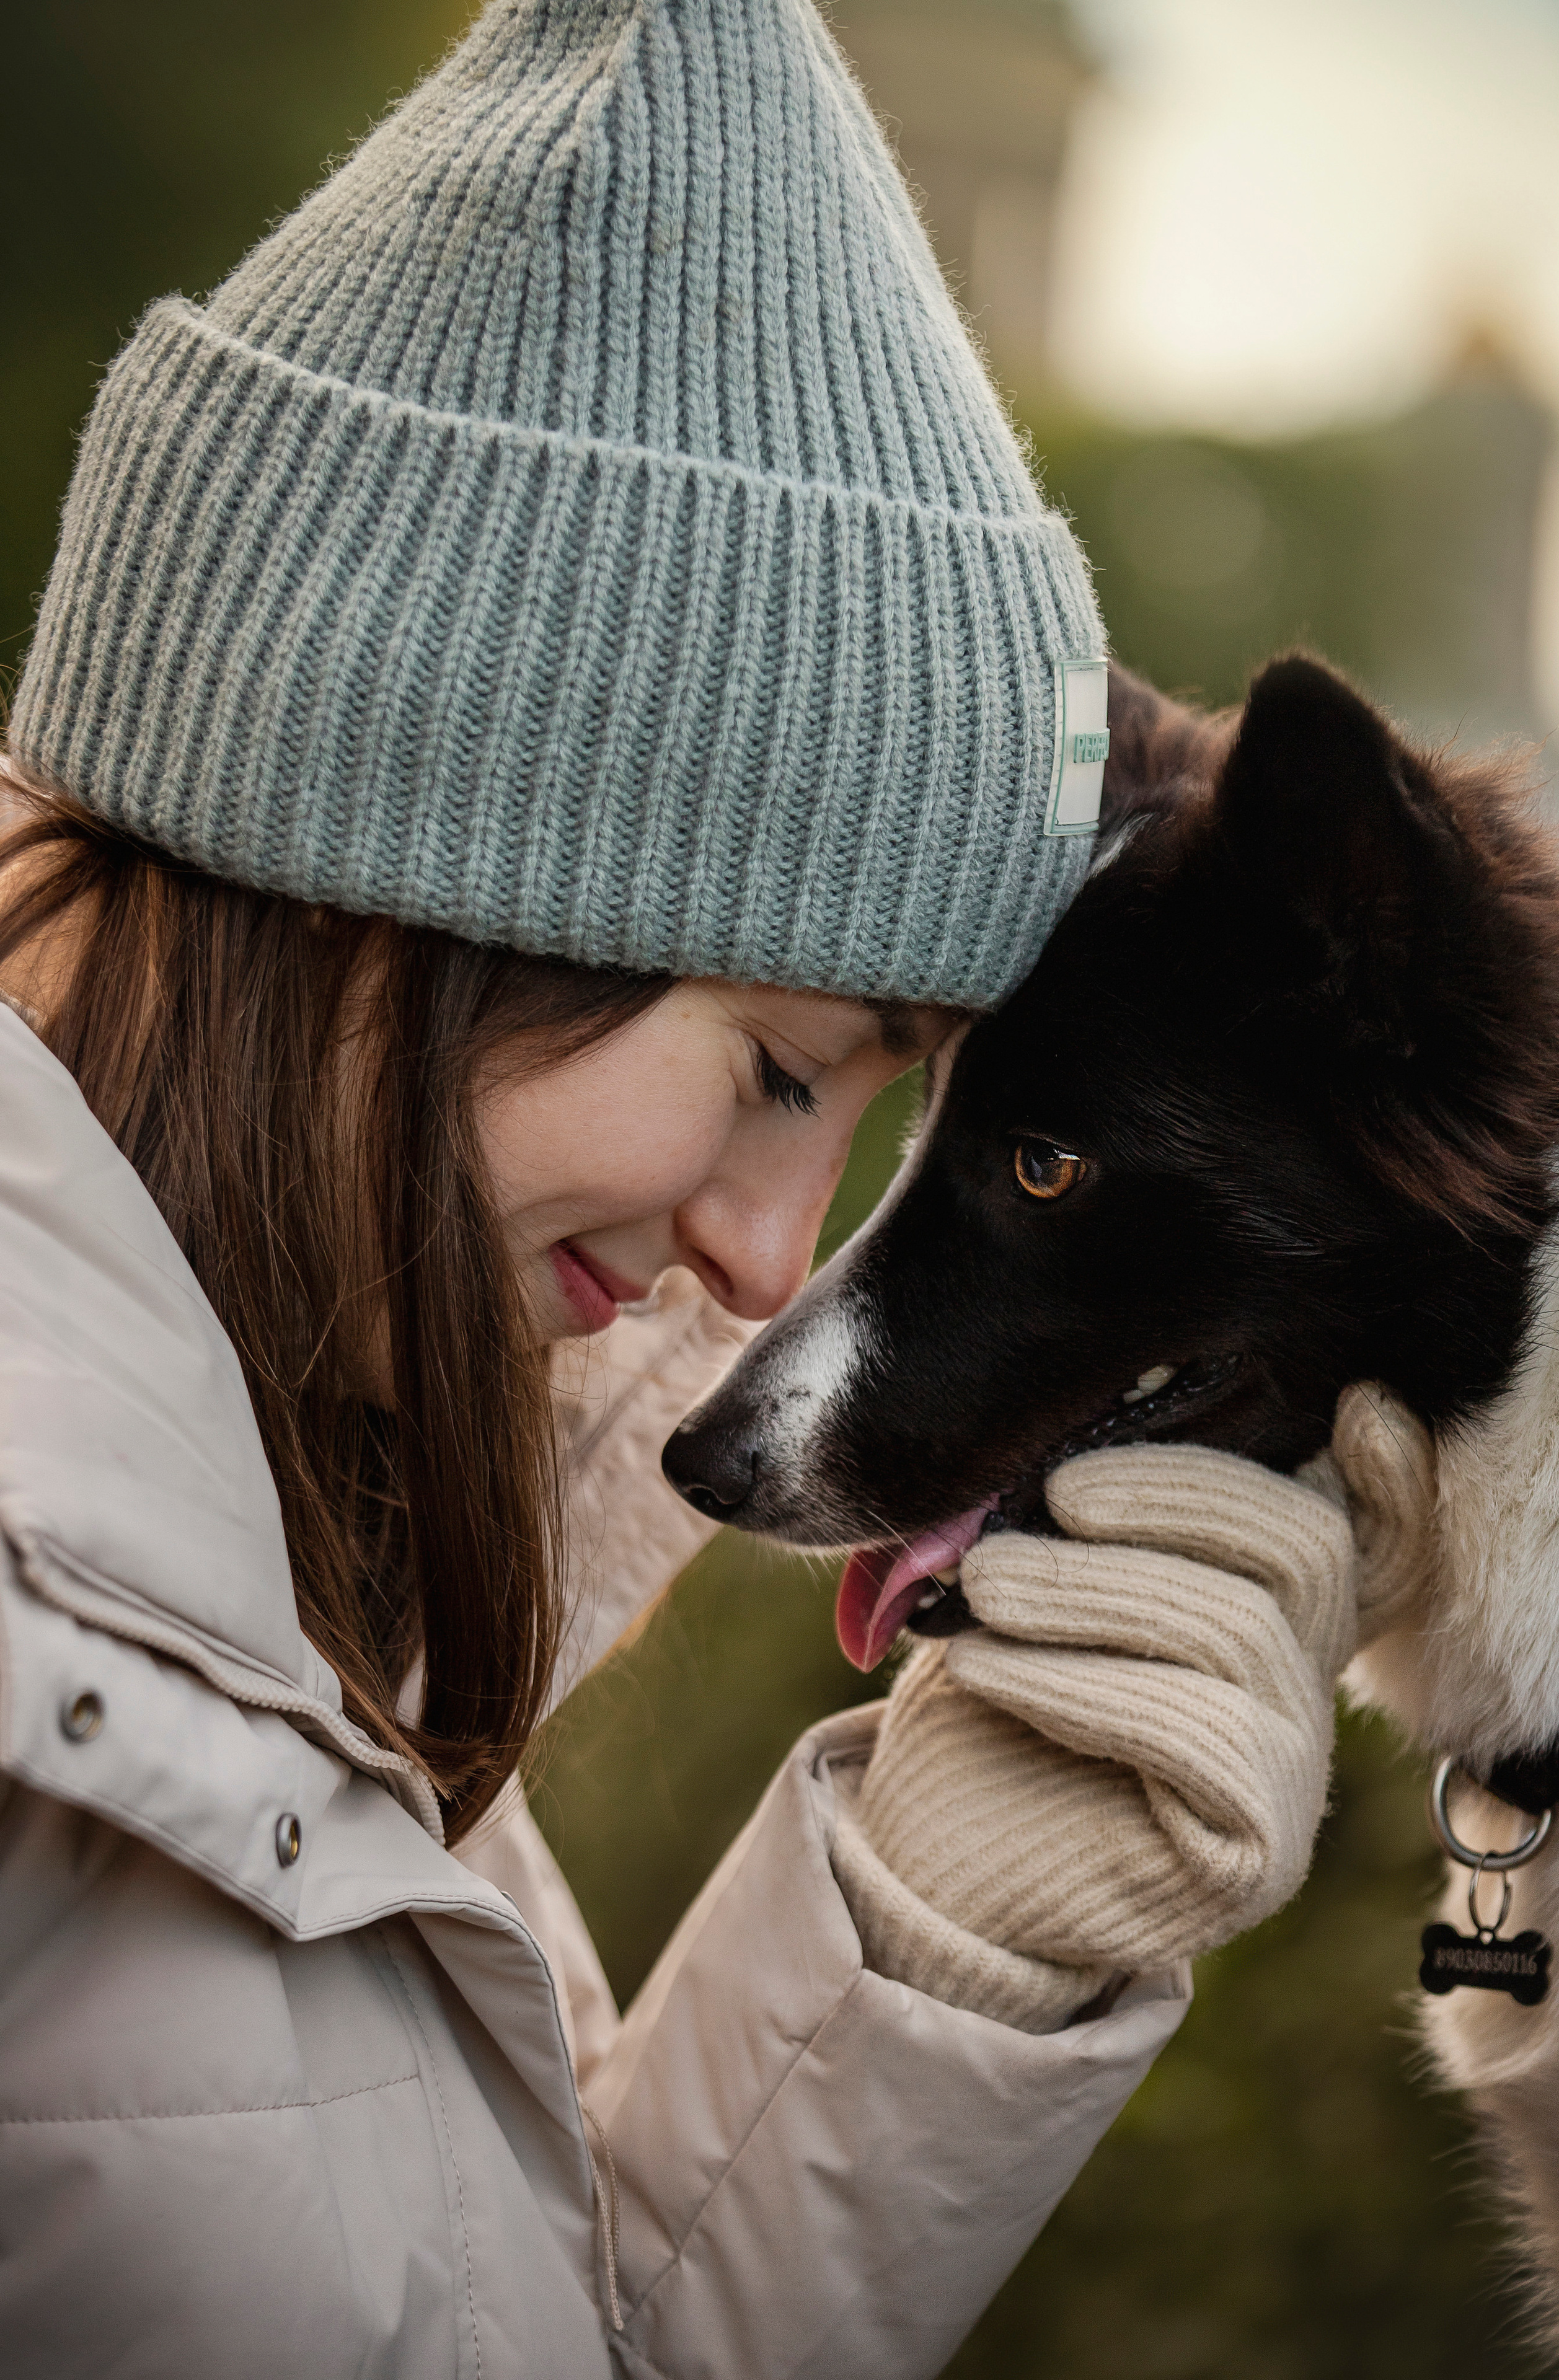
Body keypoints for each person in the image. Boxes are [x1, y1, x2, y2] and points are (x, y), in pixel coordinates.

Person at [0, 2, 1372, 2373]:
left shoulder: (313, 1598)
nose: (767, 1254)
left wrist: (943, 1933)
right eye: (773, 1069)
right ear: (388, 864)